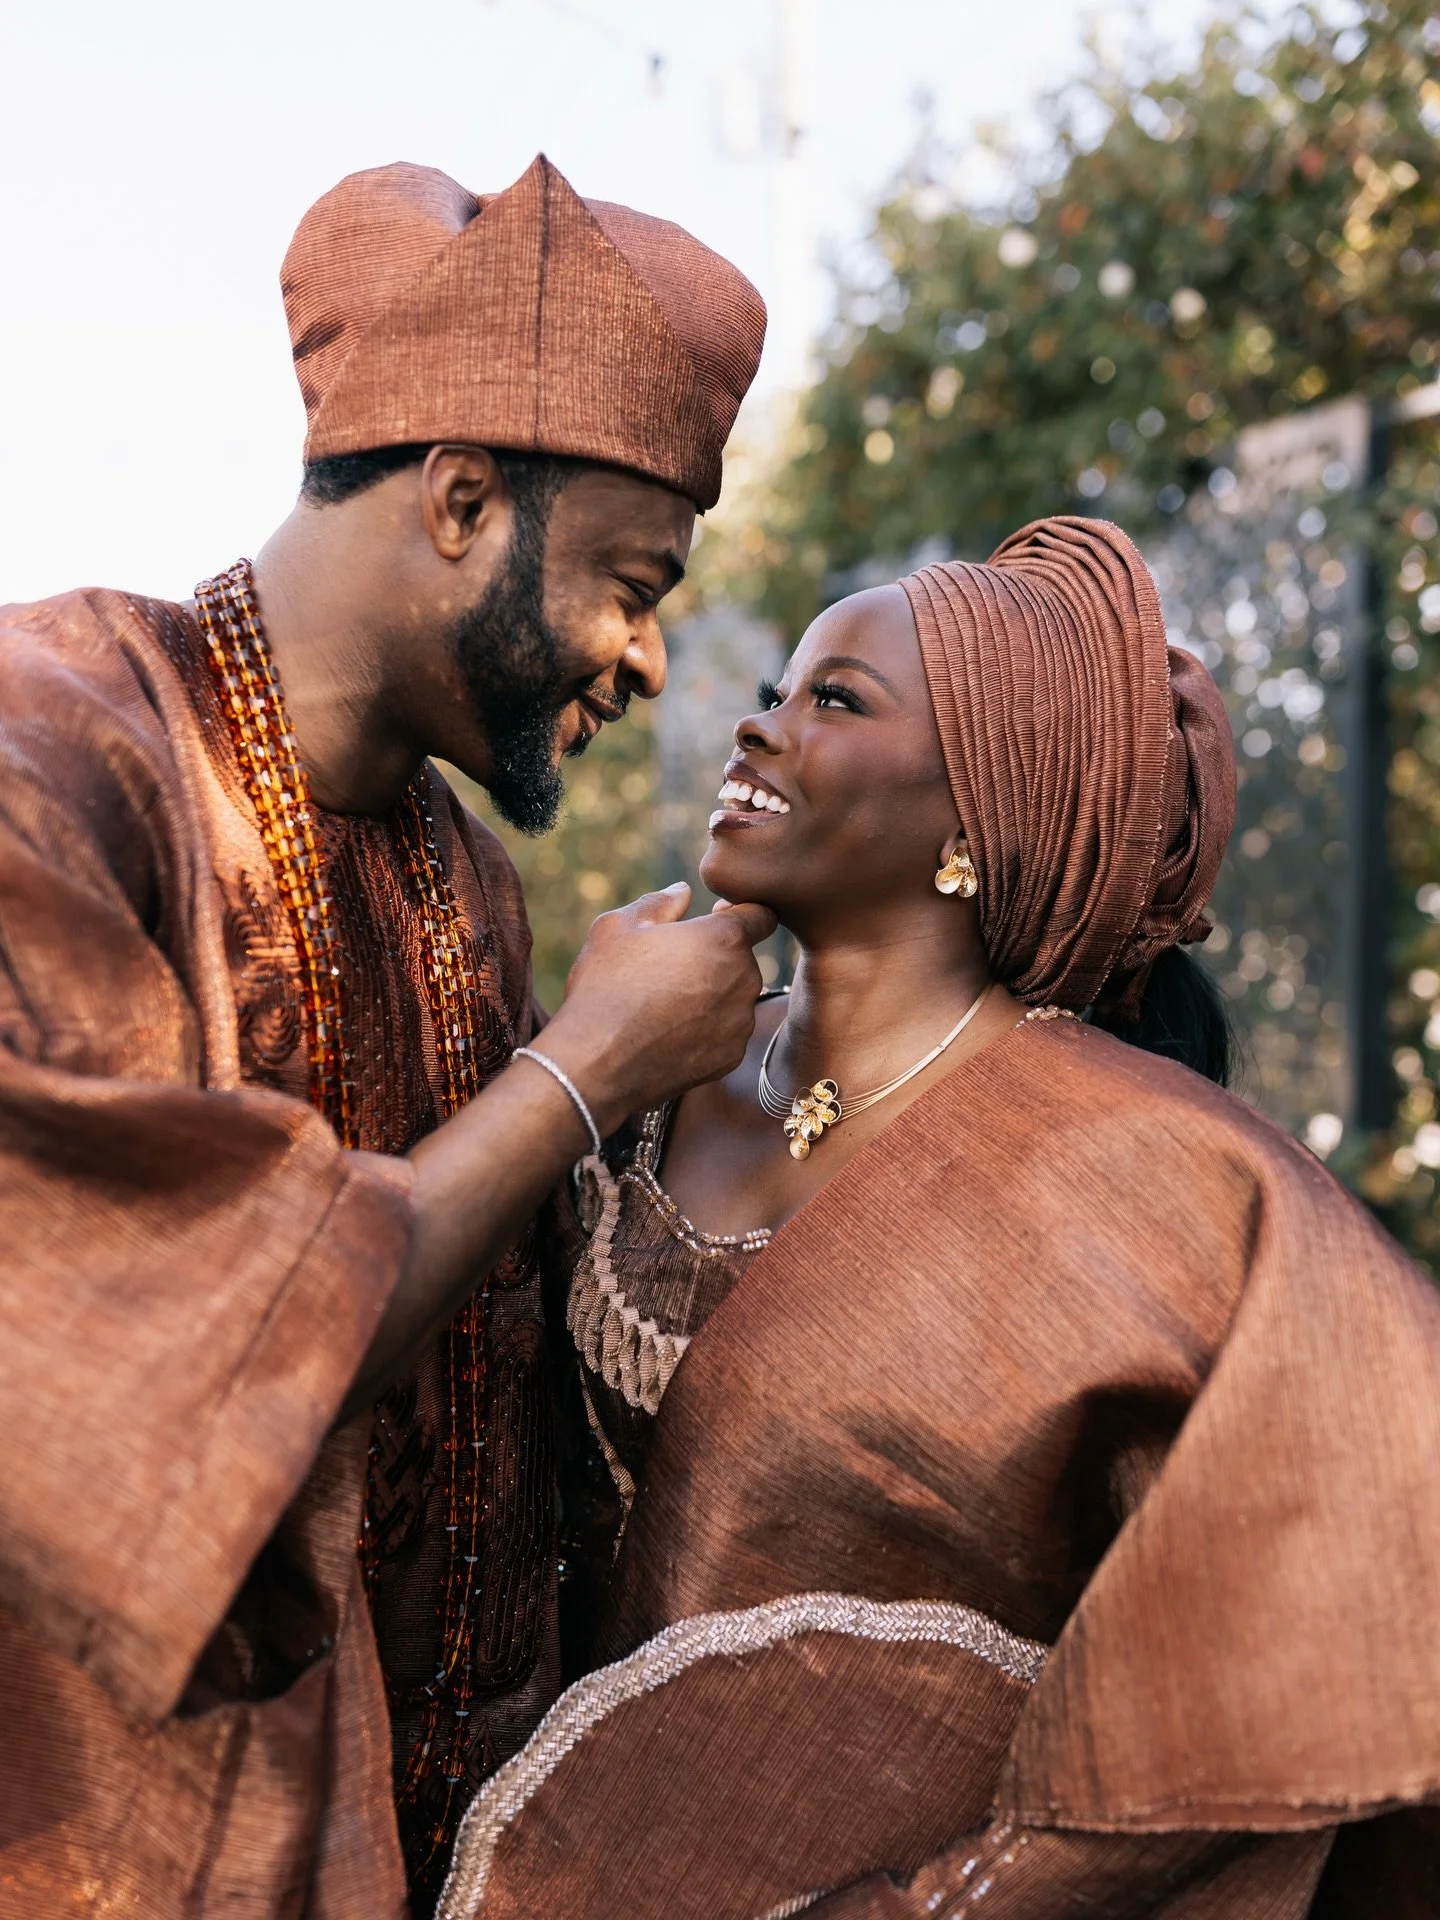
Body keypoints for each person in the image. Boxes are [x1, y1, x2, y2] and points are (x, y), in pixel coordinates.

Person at [442, 518, 1440, 1919]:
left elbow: (1341, 1583)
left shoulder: (1142, 1164)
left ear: (980, 815)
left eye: (834, 700)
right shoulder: (637, 1056)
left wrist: (961, 1903)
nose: (760, 721)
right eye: (780, 687)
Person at [0, 155, 775, 1917]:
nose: (650, 660)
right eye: (632, 582)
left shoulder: (472, 893)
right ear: (460, 497)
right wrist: (579, 1077)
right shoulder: (50, 759)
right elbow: (164, 1355)